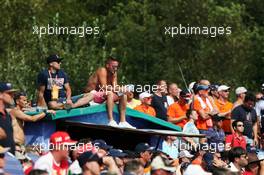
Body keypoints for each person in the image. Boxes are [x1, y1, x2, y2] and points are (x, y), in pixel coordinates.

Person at [84, 56, 134, 128]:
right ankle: (111, 120)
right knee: (110, 93)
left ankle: (123, 121)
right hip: (91, 94)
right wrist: (119, 89)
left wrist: (125, 90)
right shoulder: (102, 70)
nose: (115, 69)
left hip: (103, 94)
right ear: (107, 65)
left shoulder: (114, 73)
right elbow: (103, 87)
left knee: (123, 94)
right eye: (113, 67)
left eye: (117, 67)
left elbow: (115, 86)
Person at [0, 82, 17, 154]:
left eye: (13, 94)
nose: (12, 96)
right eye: (9, 94)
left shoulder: (7, 114)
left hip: (10, 158)